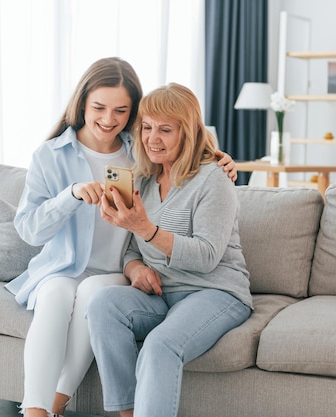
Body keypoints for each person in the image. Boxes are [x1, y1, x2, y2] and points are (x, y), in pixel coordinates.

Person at [5, 58, 237, 417]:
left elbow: (184, 146)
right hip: (88, 272)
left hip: (157, 279)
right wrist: (73, 197)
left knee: (112, 309)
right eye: (99, 107)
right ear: (82, 103)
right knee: (66, 298)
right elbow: (35, 230)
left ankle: (58, 402)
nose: (109, 119)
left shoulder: (146, 157)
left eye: (121, 111)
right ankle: (39, 410)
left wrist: (218, 159)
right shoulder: (73, 158)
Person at [86, 83, 253, 417]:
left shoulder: (213, 179)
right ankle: (129, 412)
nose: (152, 139)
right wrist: (136, 270)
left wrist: (146, 228)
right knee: (103, 304)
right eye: (146, 128)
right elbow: (131, 250)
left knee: (161, 345)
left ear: (188, 133)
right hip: (162, 293)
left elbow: (206, 257)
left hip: (216, 292)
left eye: (165, 130)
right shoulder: (144, 181)